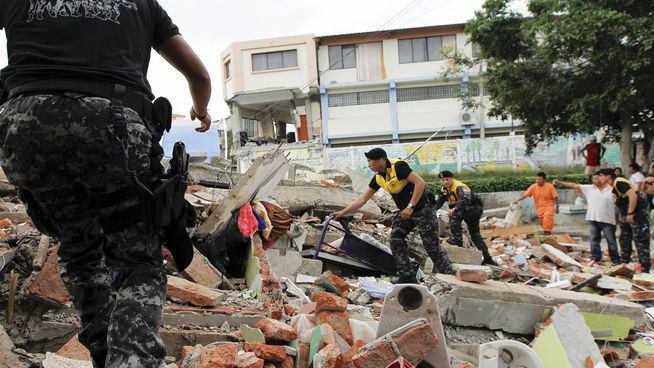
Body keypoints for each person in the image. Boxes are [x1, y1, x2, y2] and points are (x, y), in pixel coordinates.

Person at [0, 2, 212, 367]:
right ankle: (130, 359)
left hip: (25, 126)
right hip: (111, 126)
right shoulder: (141, 4)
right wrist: (201, 108)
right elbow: (199, 75)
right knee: (138, 261)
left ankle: (103, 353)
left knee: (79, 248)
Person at [331, 148, 454, 283]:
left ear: (381, 159)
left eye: (370, 161)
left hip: (423, 208)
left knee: (431, 245)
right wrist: (342, 212)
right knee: (396, 238)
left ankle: (449, 274)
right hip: (406, 212)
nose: (368, 165)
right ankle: (407, 276)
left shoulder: (398, 167)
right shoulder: (378, 178)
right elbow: (362, 199)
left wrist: (410, 207)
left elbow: (420, 183)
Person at [553, 174, 619, 264]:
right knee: (594, 240)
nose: (595, 180)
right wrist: (559, 182)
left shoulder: (611, 190)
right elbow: (574, 185)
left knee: (611, 241)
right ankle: (596, 257)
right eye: (594, 179)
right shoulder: (589, 188)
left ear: (602, 179)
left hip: (607, 220)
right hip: (593, 218)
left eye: (597, 178)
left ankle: (615, 259)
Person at [433, 170, 496, 265]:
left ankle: (457, 241)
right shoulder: (444, 190)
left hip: (473, 209)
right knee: (475, 235)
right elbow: (438, 203)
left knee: (454, 215)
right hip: (465, 210)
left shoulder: (458, 186)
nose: (445, 182)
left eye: (447, 179)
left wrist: (454, 209)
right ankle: (487, 258)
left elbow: (467, 199)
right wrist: (429, 210)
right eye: (442, 180)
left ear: (452, 178)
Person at [597, 168, 651, 272]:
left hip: (637, 213)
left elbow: (633, 196)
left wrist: (630, 213)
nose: (600, 178)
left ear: (608, 176)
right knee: (624, 238)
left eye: (601, 175)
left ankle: (645, 268)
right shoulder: (612, 186)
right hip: (625, 213)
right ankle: (624, 264)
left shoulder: (619, 182)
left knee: (640, 240)